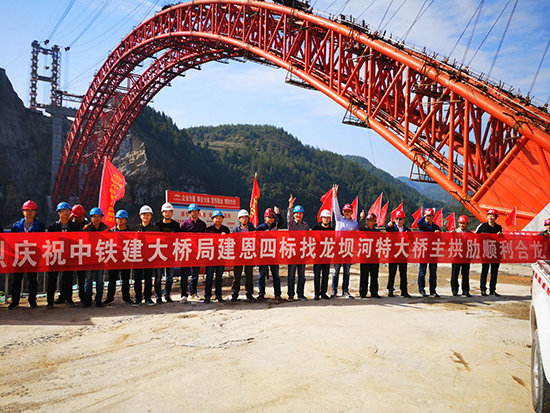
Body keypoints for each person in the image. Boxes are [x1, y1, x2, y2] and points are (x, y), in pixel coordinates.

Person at [8, 200, 46, 309]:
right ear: (23, 212)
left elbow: (42, 241)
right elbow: (12, 242)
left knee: (32, 280)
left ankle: (32, 301)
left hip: (32, 256)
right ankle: (15, 301)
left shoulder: (40, 226)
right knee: (16, 280)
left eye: (31, 210)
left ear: (35, 212)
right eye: (27, 210)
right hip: (19, 257)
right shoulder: (16, 226)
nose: (29, 213)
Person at [46, 202, 78, 309]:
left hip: (69, 256)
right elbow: (48, 242)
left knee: (68, 278)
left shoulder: (74, 226)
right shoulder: (52, 227)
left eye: (68, 211)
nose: (66, 213)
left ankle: (68, 299)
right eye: (63, 211)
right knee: (52, 279)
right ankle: (50, 302)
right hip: (55, 256)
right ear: (59, 212)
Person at [331, 184, 358, 299]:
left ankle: (345, 291)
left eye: (349, 211)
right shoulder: (338, 218)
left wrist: (354, 233)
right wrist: (335, 195)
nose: (346, 213)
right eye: (345, 211)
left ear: (352, 212)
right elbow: (335, 208)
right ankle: (334, 291)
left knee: (347, 271)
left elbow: (358, 235)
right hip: (338, 248)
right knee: (336, 271)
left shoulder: (355, 223)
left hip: (348, 249)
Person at [104, 210, 133, 305]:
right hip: (114, 258)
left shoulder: (130, 231)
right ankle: (110, 298)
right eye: (118, 218)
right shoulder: (111, 231)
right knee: (112, 279)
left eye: (122, 219)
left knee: (126, 279)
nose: (119, 220)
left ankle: (126, 297)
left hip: (125, 258)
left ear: (126, 220)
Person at [133, 205, 160, 306]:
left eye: (148, 214)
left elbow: (159, 240)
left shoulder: (155, 228)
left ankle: (148, 298)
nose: (146, 216)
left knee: (148, 278)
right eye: (144, 214)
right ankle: (138, 298)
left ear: (151, 216)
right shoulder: (135, 228)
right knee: (137, 279)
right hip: (137, 257)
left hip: (149, 257)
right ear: (140, 216)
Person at [256, 207, 284, 301]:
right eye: (269, 217)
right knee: (261, 275)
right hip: (263, 254)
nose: (271, 219)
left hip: (273, 254)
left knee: (276, 275)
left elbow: (281, 222)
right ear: (265, 217)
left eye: (272, 217)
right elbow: (256, 240)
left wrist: (278, 213)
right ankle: (261, 293)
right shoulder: (260, 228)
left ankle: (277, 294)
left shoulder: (275, 226)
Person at [83, 207, 109, 307]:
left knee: (99, 280)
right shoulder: (86, 228)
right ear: (91, 218)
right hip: (89, 257)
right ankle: (87, 300)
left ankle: (98, 300)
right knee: (88, 280)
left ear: (101, 217)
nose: (97, 219)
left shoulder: (106, 229)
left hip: (100, 257)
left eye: (98, 216)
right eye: (94, 217)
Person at [180, 203, 206, 301]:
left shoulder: (202, 224)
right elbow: (180, 238)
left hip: (196, 252)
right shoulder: (185, 225)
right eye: (192, 211)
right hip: (186, 252)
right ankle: (183, 294)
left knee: (195, 274)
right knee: (184, 274)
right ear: (189, 213)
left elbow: (205, 238)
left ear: (198, 212)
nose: (194, 213)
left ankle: (193, 292)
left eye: (196, 211)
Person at [155, 202, 180, 303]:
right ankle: (158, 296)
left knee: (169, 277)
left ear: (172, 213)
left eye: (169, 212)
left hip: (171, 254)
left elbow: (180, 238)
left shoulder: (176, 225)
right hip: (159, 254)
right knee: (158, 277)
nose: (167, 214)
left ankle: (167, 295)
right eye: (165, 212)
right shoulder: (157, 225)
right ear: (162, 213)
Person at [287, 195, 310, 301]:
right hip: (292, 253)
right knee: (291, 276)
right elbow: (289, 218)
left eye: (300, 213)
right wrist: (290, 205)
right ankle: (291, 295)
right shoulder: (291, 225)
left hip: (302, 253)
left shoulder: (305, 226)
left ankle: (300, 294)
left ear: (303, 215)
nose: (298, 215)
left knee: (302, 276)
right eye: (296, 213)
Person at [204, 210, 230, 303]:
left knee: (219, 277)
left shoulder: (226, 229)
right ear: (213, 219)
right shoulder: (208, 230)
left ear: (222, 219)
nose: (218, 220)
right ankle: (207, 295)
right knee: (209, 277)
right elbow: (204, 242)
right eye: (216, 218)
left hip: (221, 257)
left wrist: (225, 237)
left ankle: (218, 295)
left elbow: (229, 242)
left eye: (220, 218)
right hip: (210, 257)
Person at [476, 209, 503, 296]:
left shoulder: (498, 227)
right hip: (486, 252)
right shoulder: (483, 226)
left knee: (494, 272)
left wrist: (500, 235)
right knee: (485, 271)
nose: (491, 217)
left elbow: (502, 239)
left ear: (496, 217)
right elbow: (476, 236)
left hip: (495, 253)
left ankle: (492, 290)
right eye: (489, 215)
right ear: (487, 216)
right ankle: (483, 289)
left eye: (493, 216)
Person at [231, 209, 256, 302]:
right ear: (239, 219)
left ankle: (249, 293)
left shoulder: (252, 229)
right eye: (242, 218)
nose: (244, 219)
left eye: (246, 217)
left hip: (249, 255)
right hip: (239, 255)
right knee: (237, 275)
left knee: (249, 275)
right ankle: (235, 293)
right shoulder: (236, 230)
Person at [385, 210, 411, 298]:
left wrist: (408, 236)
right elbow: (387, 228)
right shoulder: (392, 228)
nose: (398, 221)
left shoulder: (407, 230)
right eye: (397, 219)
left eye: (400, 219)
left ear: (404, 219)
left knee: (403, 274)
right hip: (393, 254)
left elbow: (412, 240)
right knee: (392, 273)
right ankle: (390, 290)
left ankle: (404, 291)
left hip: (403, 254)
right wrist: (389, 224)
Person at [417, 208, 441, 297]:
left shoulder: (436, 227)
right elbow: (418, 223)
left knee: (433, 272)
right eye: (427, 216)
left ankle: (433, 291)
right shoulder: (423, 225)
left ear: (433, 217)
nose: (428, 217)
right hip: (423, 251)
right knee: (422, 272)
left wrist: (439, 234)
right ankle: (421, 289)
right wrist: (424, 215)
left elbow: (441, 238)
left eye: (430, 216)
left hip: (433, 251)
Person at [67, 204, 88, 304]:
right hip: (71, 254)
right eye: (76, 217)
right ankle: (65, 297)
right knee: (67, 277)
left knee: (82, 277)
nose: (77, 219)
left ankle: (83, 297)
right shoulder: (70, 224)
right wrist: (69, 220)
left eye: (79, 217)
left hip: (82, 254)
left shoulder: (88, 225)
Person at [311, 209, 333, 300]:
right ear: (321, 218)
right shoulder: (316, 227)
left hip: (327, 255)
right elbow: (310, 237)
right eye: (324, 217)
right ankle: (317, 293)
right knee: (317, 275)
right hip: (317, 255)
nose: (326, 219)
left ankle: (323, 293)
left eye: (327, 218)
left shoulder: (332, 230)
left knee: (325, 275)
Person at [358, 212, 381, 298]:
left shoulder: (377, 232)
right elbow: (360, 226)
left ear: (374, 221)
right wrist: (362, 218)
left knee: (374, 276)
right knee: (364, 275)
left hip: (374, 256)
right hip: (365, 256)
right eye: (367, 220)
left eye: (370, 220)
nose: (368, 222)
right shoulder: (364, 229)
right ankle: (362, 292)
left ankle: (374, 292)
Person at [451, 215, 472, 297]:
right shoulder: (454, 232)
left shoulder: (470, 233)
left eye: (464, 223)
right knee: (454, 274)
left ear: (467, 224)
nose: (462, 225)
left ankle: (466, 290)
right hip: (456, 255)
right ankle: (455, 290)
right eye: (460, 223)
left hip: (466, 256)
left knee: (465, 274)